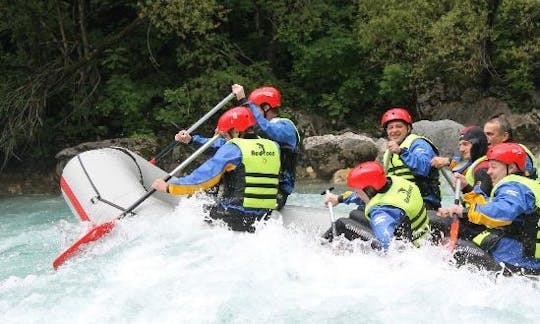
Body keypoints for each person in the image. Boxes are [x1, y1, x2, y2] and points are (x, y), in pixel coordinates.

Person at [152, 107, 281, 233]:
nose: (224, 137)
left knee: (196, 209)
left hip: (236, 215)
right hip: (264, 217)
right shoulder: (273, 146)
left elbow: (202, 178)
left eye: (226, 134)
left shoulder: (234, 148)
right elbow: (220, 146)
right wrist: (192, 140)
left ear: (236, 131)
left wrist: (168, 187)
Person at [437, 142, 540, 274]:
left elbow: (503, 213)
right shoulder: (524, 185)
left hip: (515, 261)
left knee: (451, 246)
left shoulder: (515, 186)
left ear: (512, 167)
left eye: (493, 167)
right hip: (519, 257)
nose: (488, 171)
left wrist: (463, 211)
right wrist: (467, 188)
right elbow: (490, 207)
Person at [323, 161, 431, 251]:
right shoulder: (395, 181)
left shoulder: (381, 212)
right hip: (417, 233)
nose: (356, 193)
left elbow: (386, 244)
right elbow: (371, 197)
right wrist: (339, 199)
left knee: (341, 224)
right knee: (355, 214)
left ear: (369, 190)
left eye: (357, 191)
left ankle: (320, 251)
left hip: (407, 248)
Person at [231, 84, 300, 210]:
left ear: (266, 107)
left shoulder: (286, 128)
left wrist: (244, 102)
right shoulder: (258, 131)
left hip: (277, 192)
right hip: (254, 187)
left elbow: (269, 130)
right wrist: (193, 140)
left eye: (255, 107)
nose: (251, 112)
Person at [381, 107, 441, 209]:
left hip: (423, 202)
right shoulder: (388, 153)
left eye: (399, 126)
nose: (394, 130)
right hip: (399, 202)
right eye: (390, 127)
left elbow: (423, 168)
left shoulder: (419, 144)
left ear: (408, 128)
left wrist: (401, 152)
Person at [431, 125, 492, 195]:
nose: (461, 149)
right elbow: (463, 166)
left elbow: (482, 201)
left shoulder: (483, 170)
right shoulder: (475, 161)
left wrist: (465, 187)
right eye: (460, 145)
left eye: (465, 144)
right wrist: (448, 161)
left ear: (477, 144)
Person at [483, 113, 538, 179]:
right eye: (484, 134)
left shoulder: (518, 152)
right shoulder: (494, 153)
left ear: (505, 136)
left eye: (490, 134)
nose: (484, 138)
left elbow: (524, 181)